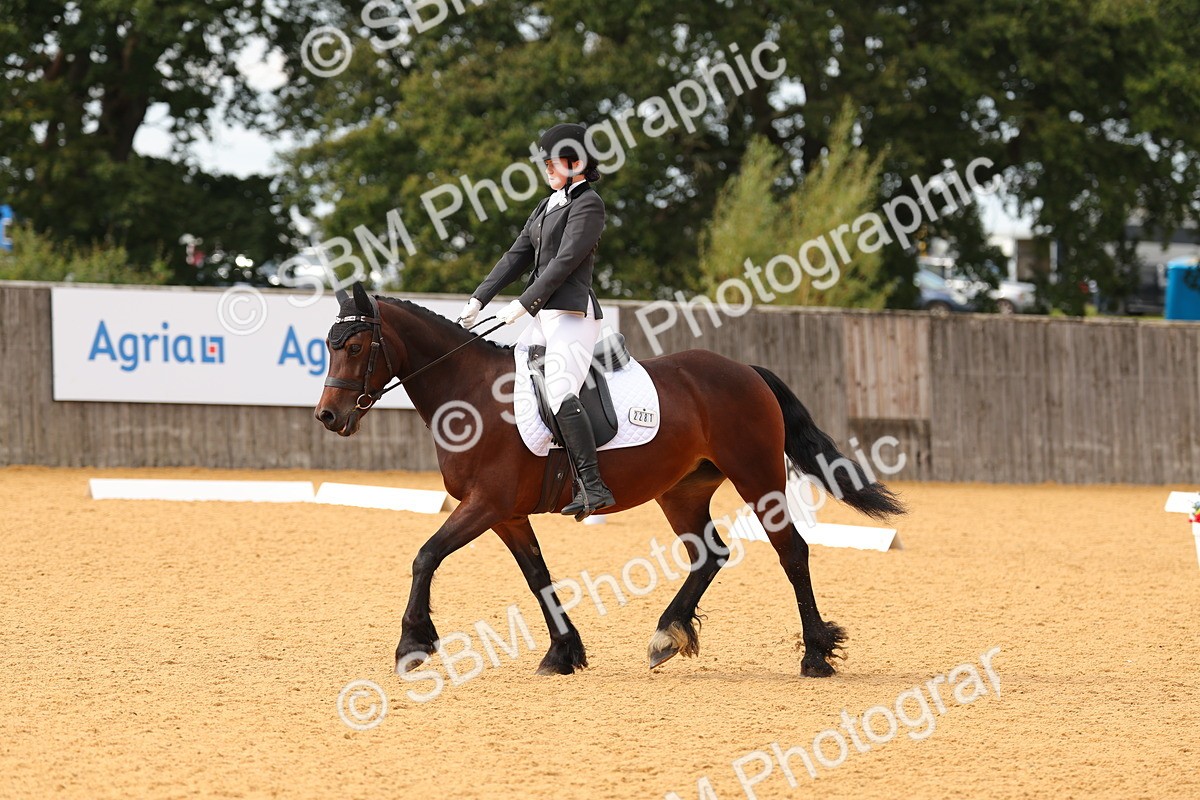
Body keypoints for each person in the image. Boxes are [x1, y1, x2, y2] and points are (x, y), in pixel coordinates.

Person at [457, 123, 615, 520]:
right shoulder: (547, 206)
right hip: (543, 315)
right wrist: (480, 297)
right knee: (512, 382)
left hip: (571, 315)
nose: (545, 167)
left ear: (574, 162)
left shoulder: (588, 204)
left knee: (560, 389)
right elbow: (515, 256)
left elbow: (565, 262)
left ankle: (593, 487)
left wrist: (525, 304)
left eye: (552, 160)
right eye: (543, 161)